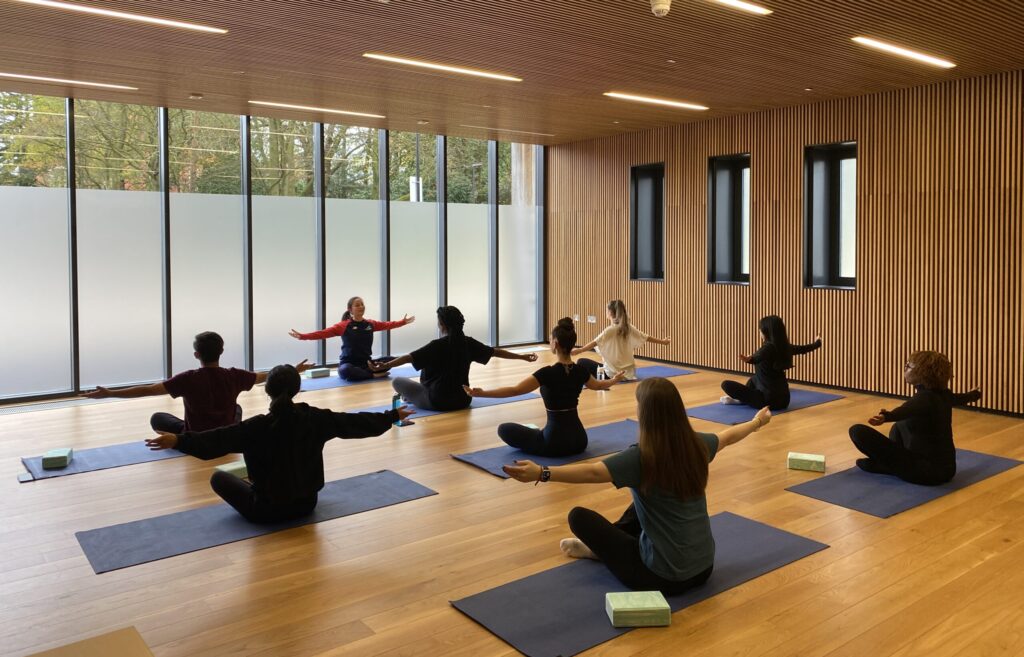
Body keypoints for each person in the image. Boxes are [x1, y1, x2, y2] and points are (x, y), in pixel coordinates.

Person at [504, 377, 770, 594]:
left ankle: (598, 552)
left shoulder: (641, 457)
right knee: (641, 502)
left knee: (579, 517)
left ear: (645, 413)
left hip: (660, 578)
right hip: (703, 570)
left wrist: (542, 473)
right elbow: (727, 437)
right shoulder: (697, 443)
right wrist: (757, 422)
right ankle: (609, 549)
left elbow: (594, 473)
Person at [144, 364, 414, 523]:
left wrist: (178, 440)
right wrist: (391, 416)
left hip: (266, 509)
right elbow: (353, 424)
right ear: (296, 390)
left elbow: (214, 442)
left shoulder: (256, 427)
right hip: (307, 504)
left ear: (268, 390)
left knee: (218, 479)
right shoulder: (315, 418)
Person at [83, 331, 310, 433]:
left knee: (157, 418)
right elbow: (267, 376)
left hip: (197, 436)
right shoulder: (234, 375)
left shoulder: (188, 379)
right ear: (221, 352)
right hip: (226, 432)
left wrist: (111, 393)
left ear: (196, 355)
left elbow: (148, 390)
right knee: (237, 409)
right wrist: (293, 369)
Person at [464, 318, 623, 456]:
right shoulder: (581, 371)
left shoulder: (547, 373)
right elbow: (598, 385)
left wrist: (483, 393)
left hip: (554, 442)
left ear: (555, 343)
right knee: (533, 432)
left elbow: (515, 390)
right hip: (580, 440)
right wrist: (614, 380)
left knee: (504, 429)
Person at [369, 305, 538, 412]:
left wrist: (386, 365)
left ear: (442, 325)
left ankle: (412, 397)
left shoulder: (437, 345)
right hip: (463, 400)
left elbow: (408, 358)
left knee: (397, 382)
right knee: (416, 386)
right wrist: (522, 357)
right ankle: (413, 397)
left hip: (438, 401)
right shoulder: (468, 343)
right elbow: (494, 352)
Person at [849, 351, 981, 486]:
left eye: (909, 366)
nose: (905, 368)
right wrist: (974, 394)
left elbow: (904, 411)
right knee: (899, 425)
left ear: (923, 373)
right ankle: (892, 466)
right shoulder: (944, 395)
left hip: (924, 473)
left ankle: (890, 467)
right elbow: (962, 398)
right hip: (947, 470)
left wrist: (885, 416)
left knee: (857, 431)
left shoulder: (924, 398)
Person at [289, 296, 414, 381]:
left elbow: (387, 325)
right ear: (350, 309)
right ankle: (374, 375)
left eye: (362, 304)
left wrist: (403, 322)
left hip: (367, 364)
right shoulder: (343, 326)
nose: (361, 307)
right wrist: (302, 336)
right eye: (357, 305)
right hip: (349, 364)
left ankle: (371, 372)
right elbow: (322, 333)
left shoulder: (370, 324)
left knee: (393, 360)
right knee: (345, 371)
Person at [719, 315, 821, 410]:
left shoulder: (768, 348)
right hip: (784, 400)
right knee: (754, 379)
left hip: (767, 401)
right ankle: (743, 400)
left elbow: (757, 358)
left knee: (726, 384)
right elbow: (804, 349)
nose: (759, 331)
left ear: (766, 331)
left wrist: (749, 359)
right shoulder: (784, 347)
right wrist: (817, 343)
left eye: (760, 329)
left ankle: (742, 401)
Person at [571, 299, 671, 381]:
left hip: (612, 374)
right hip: (629, 373)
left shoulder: (610, 330)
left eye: (606, 310)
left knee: (581, 362)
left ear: (610, 312)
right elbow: (645, 337)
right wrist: (663, 342)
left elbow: (594, 343)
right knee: (599, 365)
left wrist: (579, 350)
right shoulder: (628, 327)